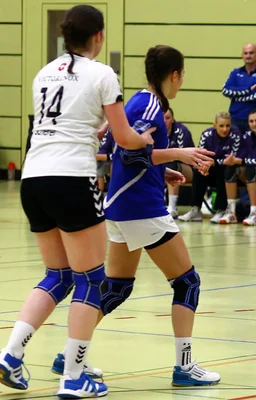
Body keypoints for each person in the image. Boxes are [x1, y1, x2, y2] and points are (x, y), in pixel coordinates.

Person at [0, 5, 153, 397]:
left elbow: (68, 122)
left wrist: (104, 124)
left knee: (58, 275)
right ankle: (74, 375)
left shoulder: (43, 73)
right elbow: (124, 138)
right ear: (99, 36)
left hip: (34, 179)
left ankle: (11, 355)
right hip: (71, 178)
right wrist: (145, 138)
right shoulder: (103, 73)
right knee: (91, 280)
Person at [99, 45, 220, 387]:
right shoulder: (150, 106)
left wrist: (162, 171)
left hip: (121, 206)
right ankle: (184, 367)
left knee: (117, 288)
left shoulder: (139, 101)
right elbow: (132, 156)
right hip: (142, 208)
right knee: (187, 282)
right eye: (182, 76)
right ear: (175, 75)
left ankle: (71, 352)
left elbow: (133, 155)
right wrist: (180, 153)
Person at [179, 112, 242, 223]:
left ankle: (221, 209)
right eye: (221, 126)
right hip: (210, 168)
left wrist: (215, 162)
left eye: (228, 126)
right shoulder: (206, 134)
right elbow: (200, 155)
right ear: (214, 125)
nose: (225, 129)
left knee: (223, 169)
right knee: (199, 170)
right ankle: (196, 209)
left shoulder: (236, 135)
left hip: (227, 172)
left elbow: (231, 159)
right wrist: (206, 164)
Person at [221, 43, 256, 134]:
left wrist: (236, 97)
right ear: (242, 55)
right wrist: (247, 90)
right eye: (245, 53)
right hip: (235, 120)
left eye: (251, 53)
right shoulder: (235, 72)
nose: (248, 56)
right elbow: (225, 90)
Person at [164, 108, 195, 218]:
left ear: (172, 119)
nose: (164, 121)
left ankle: (172, 208)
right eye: (162, 118)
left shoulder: (181, 131)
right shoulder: (154, 131)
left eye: (167, 118)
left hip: (189, 169)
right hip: (163, 167)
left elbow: (184, 157)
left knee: (172, 165)